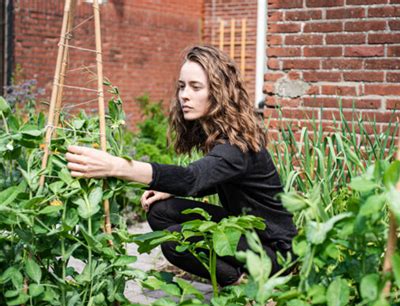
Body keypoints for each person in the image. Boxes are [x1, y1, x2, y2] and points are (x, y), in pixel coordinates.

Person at [65, 45, 297, 287]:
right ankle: (235, 271)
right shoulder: (222, 134)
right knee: (161, 211)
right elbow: (218, 179)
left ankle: (244, 284)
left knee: (176, 242)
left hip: (275, 251)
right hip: (244, 229)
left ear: (219, 92)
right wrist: (168, 188)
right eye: (182, 86)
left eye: (196, 87)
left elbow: (191, 178)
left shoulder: (236, 146)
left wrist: (116, 166)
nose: (184, 95)